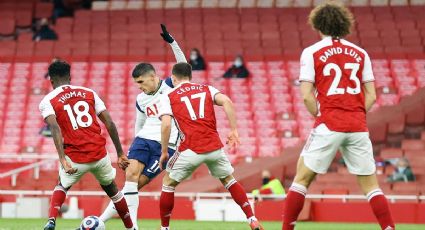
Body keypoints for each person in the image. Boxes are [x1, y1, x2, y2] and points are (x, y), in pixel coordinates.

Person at [282, 2, 395, 230]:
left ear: (317, 24)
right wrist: (355, 113)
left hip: (329, 123)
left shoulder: (312, 52)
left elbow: (306, 96)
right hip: (357, 126)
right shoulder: (361, 53)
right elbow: (371, 95)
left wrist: (322, 115)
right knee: (372, 187)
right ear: (344, 24)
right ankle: (389, 228)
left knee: (301, 179)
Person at [98, 24, 185, 229]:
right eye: (137, 83)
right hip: (143, 140)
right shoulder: (140, 99)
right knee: (130, 178)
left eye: (141, 81)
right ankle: (132, 226)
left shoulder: (170, 87)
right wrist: (135, 145)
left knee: (135, 186)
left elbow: (183, 64)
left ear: (154, 77)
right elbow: (139, 123)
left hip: (167, 145)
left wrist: (172, 42)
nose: (139, 86)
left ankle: (101, 220)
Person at [158, 62, 263, 230]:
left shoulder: (168, 96)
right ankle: (252, 218)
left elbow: (165, 125)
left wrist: (164, 151)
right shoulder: (207, 88)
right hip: (214, 147)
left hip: (190, 148)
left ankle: (164, 228)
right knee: (229, 180)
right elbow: (227, 101)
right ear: (190, 77)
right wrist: (234, 130)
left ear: (173, 78)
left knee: (168, 183)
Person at [39, 61, 134, 230]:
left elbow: (54, 128)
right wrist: (120, 153)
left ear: (51, 81)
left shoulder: (48, 100)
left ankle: (51, 220)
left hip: (75, 157)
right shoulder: (89, 93)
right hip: (99, 154)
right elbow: (110, 123)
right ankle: (130, 227)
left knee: (62, 185)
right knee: (113, 191)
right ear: (70, 77)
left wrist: (62, 158)